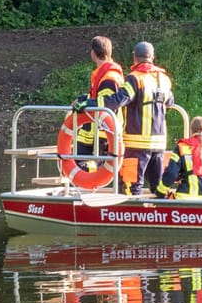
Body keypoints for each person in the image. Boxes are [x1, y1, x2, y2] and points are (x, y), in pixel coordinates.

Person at [120, 41, 176, 193]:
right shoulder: (164, 79)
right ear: (153, 57)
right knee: (157, 187)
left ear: (134, 58)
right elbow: (170, 101)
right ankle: (158, 214)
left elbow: (119, 100)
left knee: (131, 187)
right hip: (159, 144)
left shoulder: (134, 79)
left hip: (136, 144)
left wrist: (90, 102)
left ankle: (130, 215)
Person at [69, 35, 131, 165]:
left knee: (87, 168)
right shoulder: (107, 73)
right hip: (95, 132)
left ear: (93, 53)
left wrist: (86, 104)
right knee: (79, 164)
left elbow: (106, 104)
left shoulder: (109, 77)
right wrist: (82, 99)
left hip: (102, 134)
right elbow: (97, 98)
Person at [158, 116, 202, 198]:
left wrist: (160, 192)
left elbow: (171, 174)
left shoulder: (181, 148)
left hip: (184, 199)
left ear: (191, 131)